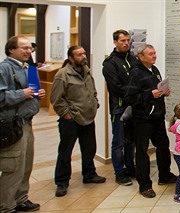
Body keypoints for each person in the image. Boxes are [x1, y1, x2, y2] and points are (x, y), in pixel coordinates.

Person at [50, 45, 105, 197]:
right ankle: (62, 182)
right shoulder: (63, 74)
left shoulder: (87, 71)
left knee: (89, 148)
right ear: (71, 58)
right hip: (71, 120)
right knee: (65, 151)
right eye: (79, 55)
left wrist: (94, 103)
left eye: (84, 53)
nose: (83, 56)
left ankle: (89, 174)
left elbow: (92, 91)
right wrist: (66, 114)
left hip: (88, 117)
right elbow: (56, 99)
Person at [124, 44, 177, 198]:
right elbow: (129, 98)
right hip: (142, 119)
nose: (154, 56)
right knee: (142, 152)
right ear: (141, 57)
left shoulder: (154, 70)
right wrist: (149, 95)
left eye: (155, 53)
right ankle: (145, 185)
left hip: (158, 117)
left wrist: (163, 92)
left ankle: (164, 175)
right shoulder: (135, 73)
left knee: (163, 146)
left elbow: (156, 90)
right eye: (151, 54)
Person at [0, 36, 45, 213]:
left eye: (30, 48)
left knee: (26, 166)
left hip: (27, 123)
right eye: (23, 48)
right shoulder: (4, 68)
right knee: (13, 168)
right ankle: (6, 206)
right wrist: (22, 94)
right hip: (12, 125)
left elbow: (28, 92)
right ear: (11, 49)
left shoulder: (27, 68)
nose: (28, 51)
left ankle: (21, 199)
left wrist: (36, 94)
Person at [102, 29, 137, 186]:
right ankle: (119, 172)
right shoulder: (110, 63)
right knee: (119, 142)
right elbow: (116, 87)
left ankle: (130, 168)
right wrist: (135, 93)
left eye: (128, 40)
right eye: (122, 40)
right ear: (115, 42)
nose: (126, 43)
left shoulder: (133, 59)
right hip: (119, 108)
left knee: (131, 140)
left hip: (135, 106)